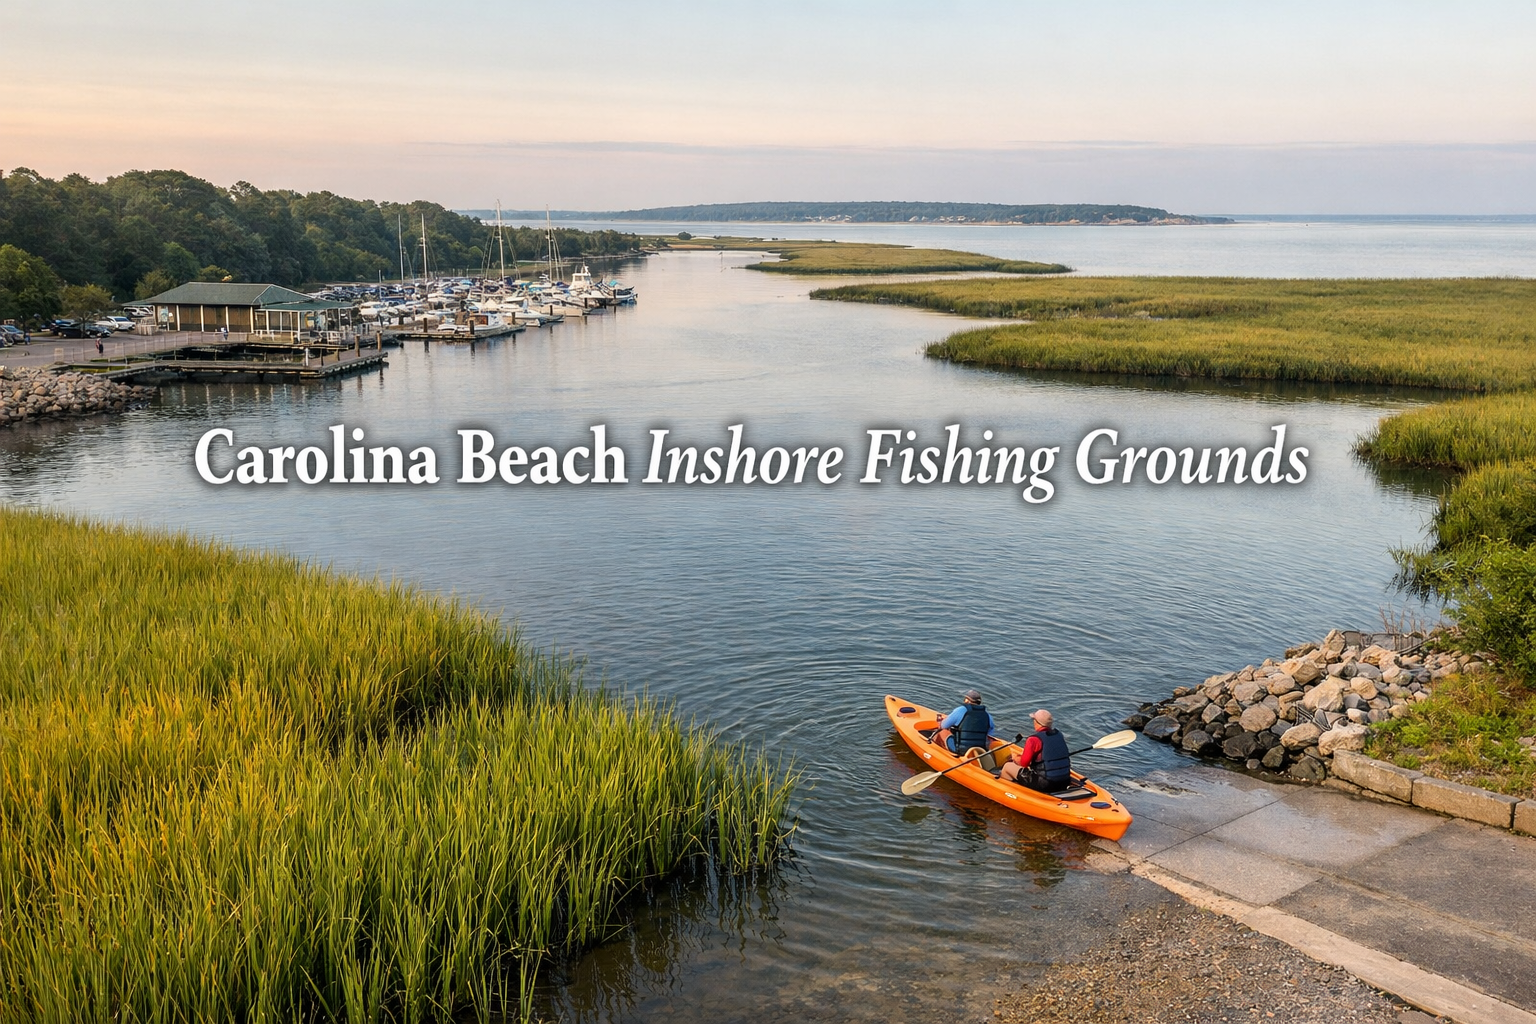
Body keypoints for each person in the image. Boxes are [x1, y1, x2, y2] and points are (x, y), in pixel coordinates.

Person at [1000, 709, 1073, 792]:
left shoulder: (1033, 740)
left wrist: (1015, 758)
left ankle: (1007, 792)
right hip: (1065, 780)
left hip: (1044, 784)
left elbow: (1024, 763)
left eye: (1033, 720)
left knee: (1007, 766)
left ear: (1037, 722)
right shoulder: (1059, 735)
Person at [931, 689, 996, 754]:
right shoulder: (988, 716)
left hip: (961, 750)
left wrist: (941, 721)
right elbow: (990, 735)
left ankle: (934, 751)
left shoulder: (961, 710)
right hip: (979, 750)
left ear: (967, 700)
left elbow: (943, 725)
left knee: (943, 731)